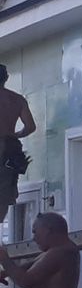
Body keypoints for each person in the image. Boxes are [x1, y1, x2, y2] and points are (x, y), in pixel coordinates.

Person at [0, 65, 32, 213]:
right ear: (6, 78)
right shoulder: (17, 100)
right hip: (10, 147)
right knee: (5, 194)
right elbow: (30, 126)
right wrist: (16, 134)